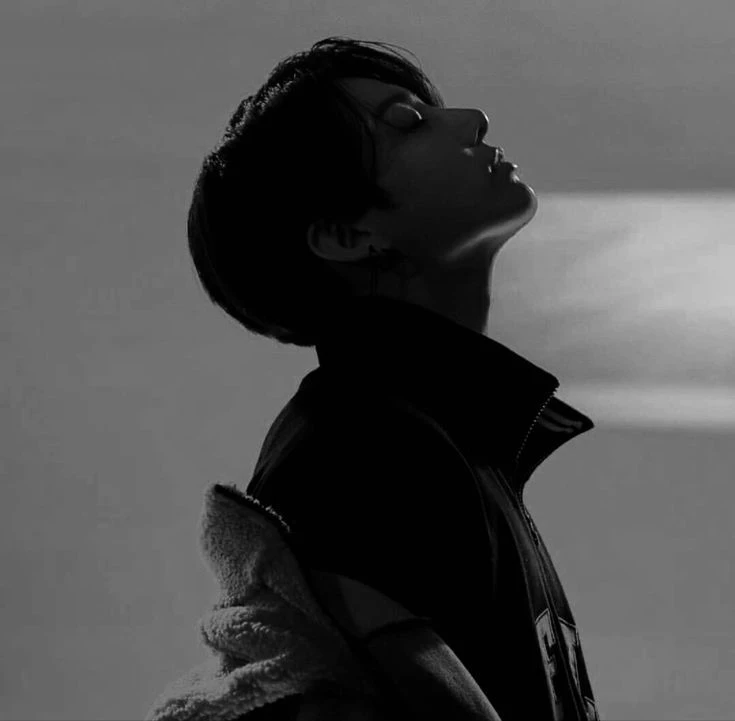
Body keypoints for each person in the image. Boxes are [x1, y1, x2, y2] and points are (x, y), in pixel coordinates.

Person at [175, 36, 601, 720]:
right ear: (347, 235)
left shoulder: (443, 440)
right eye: (406, 122)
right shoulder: (357, 442)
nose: (473, 120)